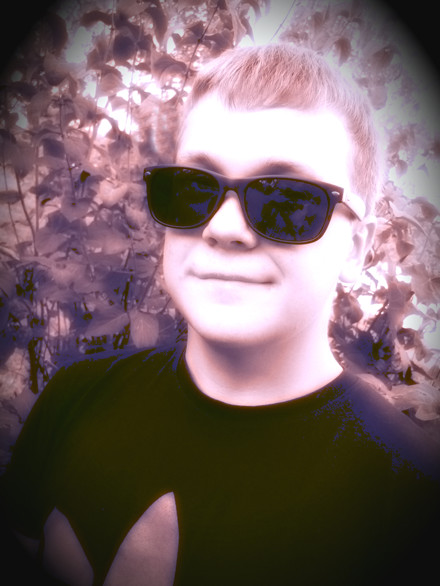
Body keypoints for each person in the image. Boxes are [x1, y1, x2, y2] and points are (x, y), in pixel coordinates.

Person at [1, 43, 439, 586]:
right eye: (193, 189)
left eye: (287, 201)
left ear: (357, 247)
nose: (223, 228)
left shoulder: (412, 497)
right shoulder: (73, 399)